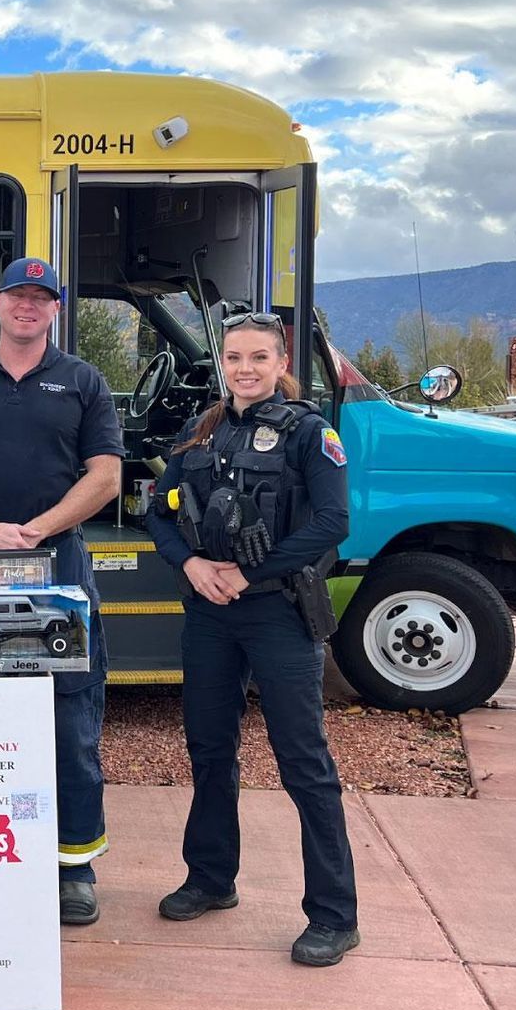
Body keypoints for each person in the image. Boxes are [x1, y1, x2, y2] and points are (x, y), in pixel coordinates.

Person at [144, 310, 360, 966]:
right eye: (235, 357)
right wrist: (189, 563)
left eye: (259, 358)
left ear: (280, 361)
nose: (245, 369)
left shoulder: (308, 434)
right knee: (209, 749)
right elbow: (159, 511)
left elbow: (333, 523)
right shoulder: (201, 430)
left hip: (277, 612)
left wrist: (250, 571)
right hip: (210, 610)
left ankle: (334, 915)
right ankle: (211, 878)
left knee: (304, 764)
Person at [0, 257, 123, 926]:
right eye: (18, 295)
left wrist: (37, 529)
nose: (29, 306)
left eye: (43, 297)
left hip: (57, 567)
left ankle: (74, 865)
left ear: (55, 309)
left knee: (68, 723)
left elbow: (106, 476)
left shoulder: (83, 381)